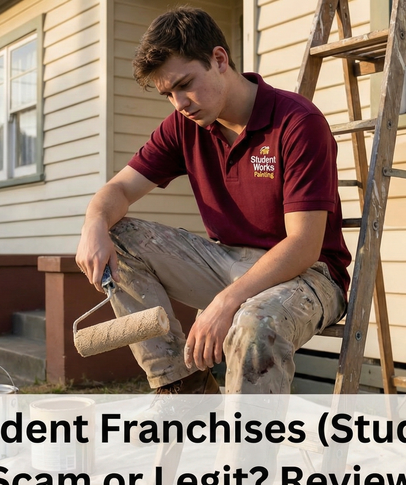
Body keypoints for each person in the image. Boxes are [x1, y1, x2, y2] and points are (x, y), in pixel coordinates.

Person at [76, 6, 351, 400]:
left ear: (219, 59)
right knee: (116, 234)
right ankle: (183, 388)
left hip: (309, 275)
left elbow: (304, 245)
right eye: (167, 94)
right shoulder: (184, 126)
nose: (179, 103)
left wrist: (227, 302)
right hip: (228, 263)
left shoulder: (296, 122)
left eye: (184, 84)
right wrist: (93, 224)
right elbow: (118, 190)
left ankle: (244, 460)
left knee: (253, 324)